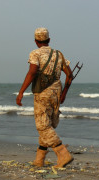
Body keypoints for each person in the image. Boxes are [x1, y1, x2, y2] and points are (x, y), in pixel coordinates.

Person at [16, 27, 73, 168]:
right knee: (47, 123)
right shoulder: (58, 54)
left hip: (42, 93)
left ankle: (63, 153)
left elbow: (32, 72)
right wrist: (64, 93)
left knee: (42, 126)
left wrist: (21, 92)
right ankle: (39, 160)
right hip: (56, 92)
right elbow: (69, 75)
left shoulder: (35, 53)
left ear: (36, 41)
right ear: (49, 40)